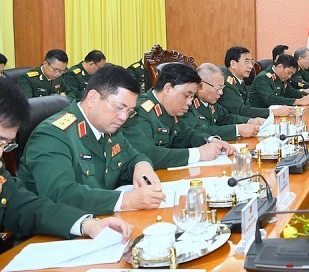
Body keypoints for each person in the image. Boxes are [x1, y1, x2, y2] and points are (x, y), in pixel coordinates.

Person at [17, 66, 165, 215]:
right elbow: (60, 194)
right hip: (52, 232)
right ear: (93, 98)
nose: (123, 117)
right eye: (120, 107)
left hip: (100, 219)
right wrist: (126, 200)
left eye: (129, 111)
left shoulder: (108, 127)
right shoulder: (52, 135)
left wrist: (142, 165)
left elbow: (133, 156)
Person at [0, 78, 132, 240]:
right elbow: (61, 193)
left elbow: (24, 207)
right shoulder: (51, 134)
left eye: (5, 144)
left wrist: (86, 224)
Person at [121, 63, 234, 170]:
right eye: (186, 95)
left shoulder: (170, 109)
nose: (190, 102)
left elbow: (187, 134)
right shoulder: (140, 111)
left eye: (192, 97)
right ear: (168, 88)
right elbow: (147, 154)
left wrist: (211, 140)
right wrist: (198, 154)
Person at [184, 63, 265, 140]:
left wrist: (250, 121)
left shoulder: (212, 103)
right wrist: (237, 130)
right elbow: (201, 131)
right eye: (217, 88)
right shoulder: (187, 105)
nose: (221, 92)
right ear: (200, 86)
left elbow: (227, 118)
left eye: (222, 88)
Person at [219, 46, 291, 119]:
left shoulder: (239, 81)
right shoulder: (226, 83)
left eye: (252, 62)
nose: (251, 66)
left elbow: (247, 106)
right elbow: (240, 111)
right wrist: (274, 112)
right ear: (233, 64)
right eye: (247, 61)